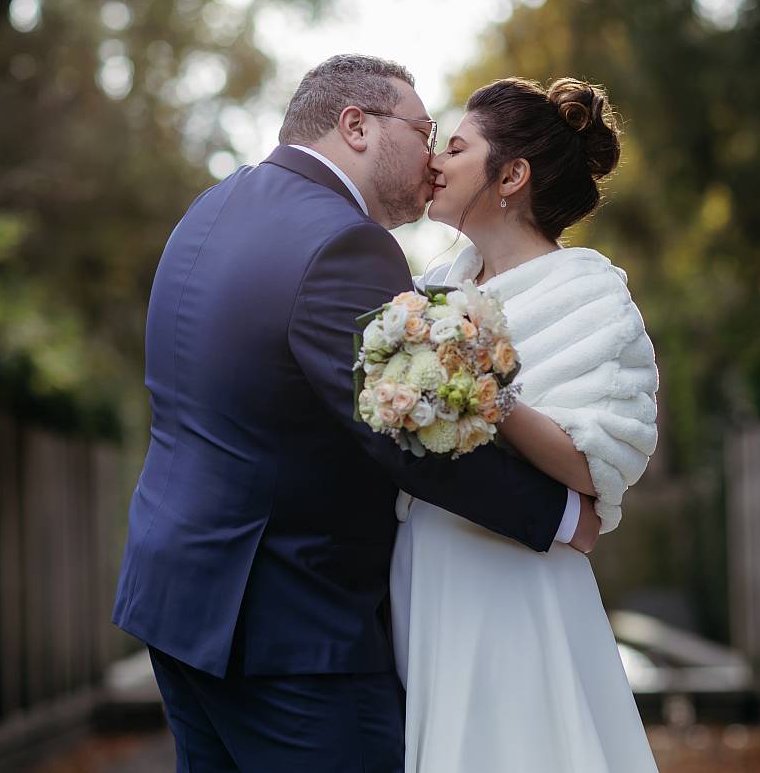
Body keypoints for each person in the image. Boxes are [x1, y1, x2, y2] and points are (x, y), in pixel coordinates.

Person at [111, 54, 600, 772]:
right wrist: (558, 514)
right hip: (289, 633)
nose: (432, 156)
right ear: (357, 126)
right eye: (424, 129)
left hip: (176, 605)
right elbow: (398, 432)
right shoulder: (346, 242)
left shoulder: (211, 208)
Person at [391, 76, 661, 771]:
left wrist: (490, 391)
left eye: (455, 148)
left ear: (511, 175)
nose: (435, 163)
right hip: (425, 563)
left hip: (513, 570)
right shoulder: (434, 288)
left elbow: (594, 464)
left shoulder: (588, 292)